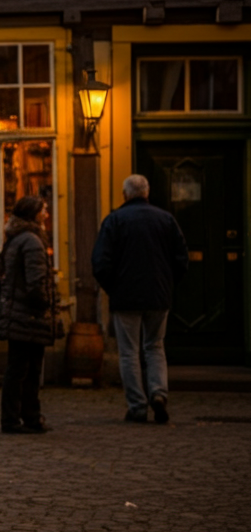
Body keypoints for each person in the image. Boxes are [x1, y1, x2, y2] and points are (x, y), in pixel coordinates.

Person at [92, 174, 188, 424]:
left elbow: (100, 263)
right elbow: (181, 260)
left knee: (129, 352)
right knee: (155, 347)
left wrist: (113, 287)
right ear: (147, 193)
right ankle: (158, 392)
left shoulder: (114, 221)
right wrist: (167, 285)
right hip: (158, 296)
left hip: (125, 298)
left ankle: (137, 406)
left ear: (125, 195)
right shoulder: (166, 220)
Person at [0, 196, 59, 434]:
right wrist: (45, 304)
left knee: (22, 368)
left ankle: (26, 416)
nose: (47, 214)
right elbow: (36, 282)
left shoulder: (15, 239)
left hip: (18, 312)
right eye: (44, 210)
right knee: (26, 369)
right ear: (33, 214)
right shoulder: (32, 241)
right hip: (29, 314)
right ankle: (18, 418)